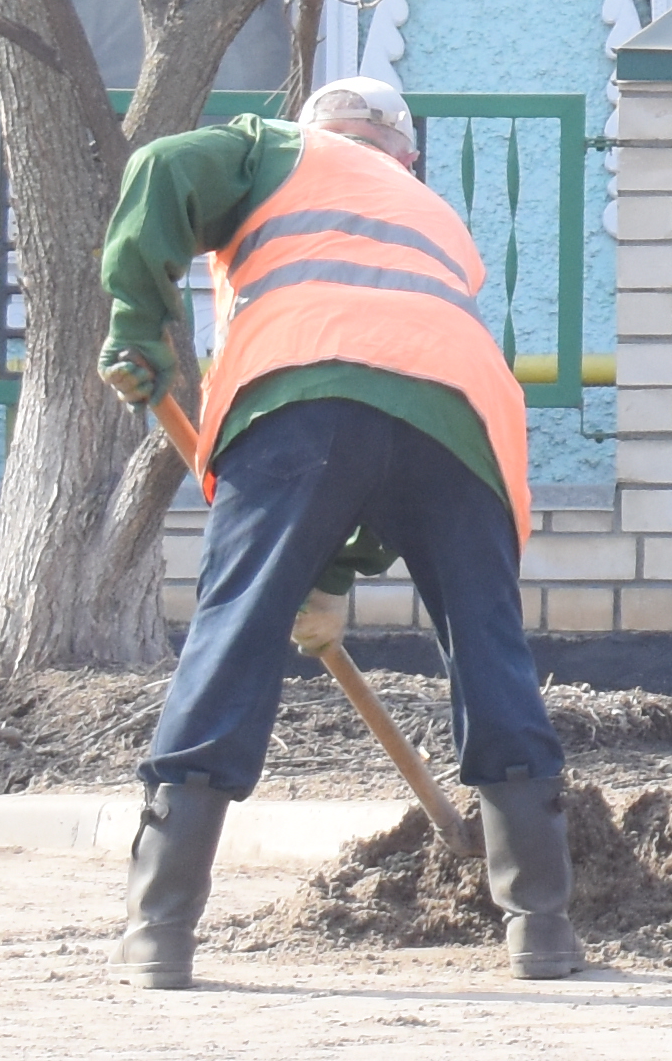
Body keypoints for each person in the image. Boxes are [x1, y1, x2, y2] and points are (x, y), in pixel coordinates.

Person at [97, 74, 573, 987]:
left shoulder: (274, 149)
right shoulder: (435, 218)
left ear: (312, 127)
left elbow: (158, 166)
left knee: (232, 637)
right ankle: (541, 927)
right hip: (463, 416)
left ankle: (159, 931)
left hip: (302, 385)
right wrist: (328, 580)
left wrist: (140, 324)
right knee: (488, 647)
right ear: (406, 152)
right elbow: (391, 424)